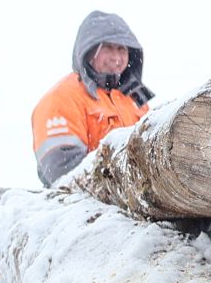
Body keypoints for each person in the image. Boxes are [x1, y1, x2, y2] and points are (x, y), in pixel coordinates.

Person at [29, 11, 153, 186]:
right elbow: (64, 174)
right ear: (88, 51)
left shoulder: (135, 96)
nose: (116, 57)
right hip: (81, 208)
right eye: (107, 48)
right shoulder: (61, 98)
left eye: (122, 49)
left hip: (135, 201)